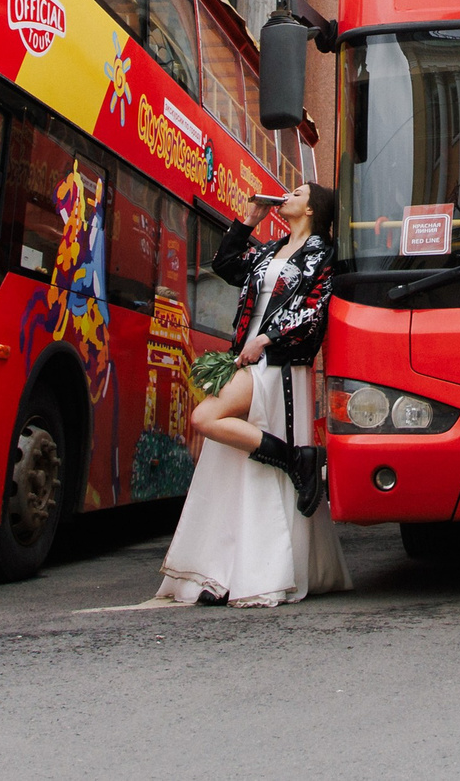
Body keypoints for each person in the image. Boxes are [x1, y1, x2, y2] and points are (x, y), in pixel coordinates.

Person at [157, 183, 351, 607]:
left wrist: (267, 338)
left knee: (205, 418)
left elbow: (316, 309)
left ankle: (293, 460)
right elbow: (225, 265)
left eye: (296, 192)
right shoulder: (270, 250)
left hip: (279, 361)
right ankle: (227, 571)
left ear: (312, 208)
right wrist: (248, 221)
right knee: (230, 465)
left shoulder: (323, 253)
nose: (287, 196)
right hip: (246, 358)